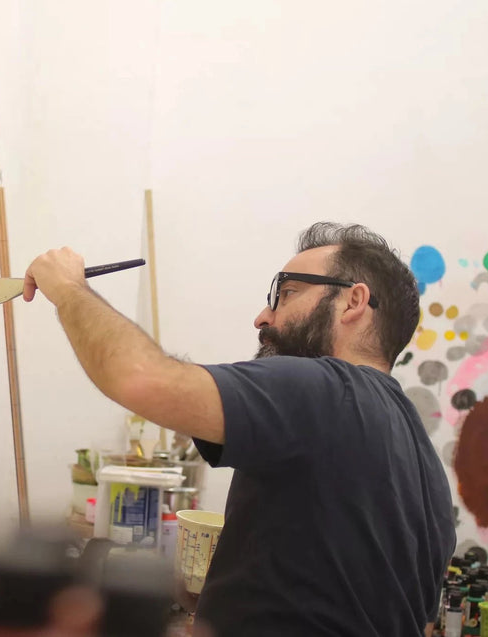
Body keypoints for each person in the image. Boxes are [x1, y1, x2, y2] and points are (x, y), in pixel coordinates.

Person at [24, 222, 456, 637]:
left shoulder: (327, 391)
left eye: (287, 293)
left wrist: (68, 288)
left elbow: (138, 378)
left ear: (353, 302)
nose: (263, 317)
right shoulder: (426, 467)